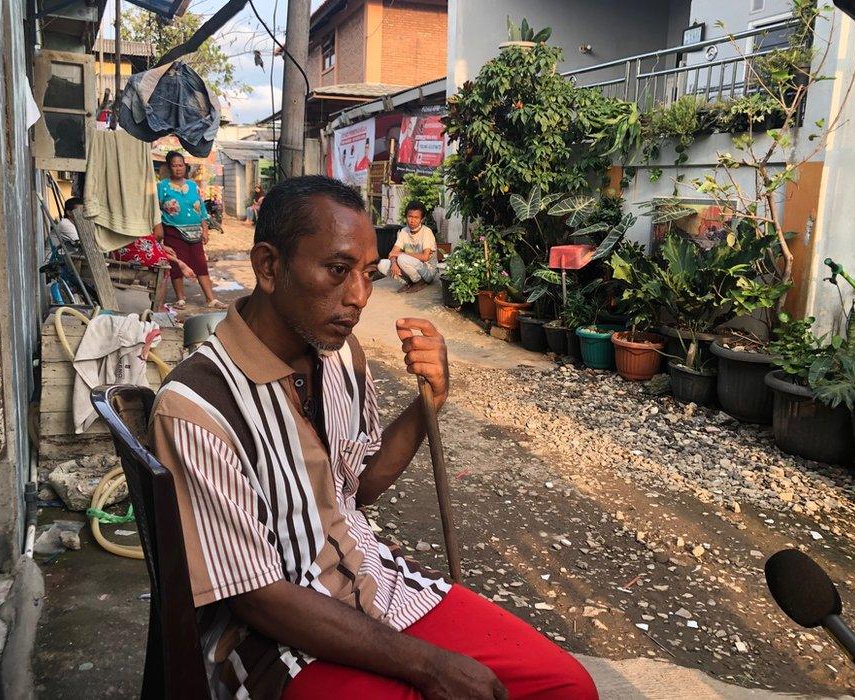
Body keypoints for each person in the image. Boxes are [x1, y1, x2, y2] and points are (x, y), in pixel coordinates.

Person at [149, 175, 598, 699]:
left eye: (367, 273)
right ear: (269, 266)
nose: (360, 296)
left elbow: (357, 488)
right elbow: (256, 597)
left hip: (377, 584)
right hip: (278, 642)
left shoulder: (341, 355)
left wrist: (430, 400)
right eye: (338, 271)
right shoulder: (194, 407)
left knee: (566, 686)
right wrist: (429, 666)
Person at [156, 150, 226, 310]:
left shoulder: (193, 186)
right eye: (174, 166)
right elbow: (156, 210)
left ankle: (210, 299)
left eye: (180, 165)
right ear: (169, 167)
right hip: (172, 231)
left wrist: (205, 228)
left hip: (195, 232)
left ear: (185, 167)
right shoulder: (162, 187)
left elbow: (201, 209)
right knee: (175, 265)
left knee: (200, 263)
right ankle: (181, 299)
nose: (178, 168)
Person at [377, 200, 437, 293]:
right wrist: (393, 263)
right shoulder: (404, 231)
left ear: (422, 219)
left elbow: (425, 257)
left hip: (428, 271)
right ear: (406, 217)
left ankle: (420, 282)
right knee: (382, 264)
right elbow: (393, 253)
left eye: (416, 217)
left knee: (401, 258)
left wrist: (401, 254)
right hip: (412, 265)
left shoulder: (426, 232)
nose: (412, 220)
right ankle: (409, 282)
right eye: (410, 216)